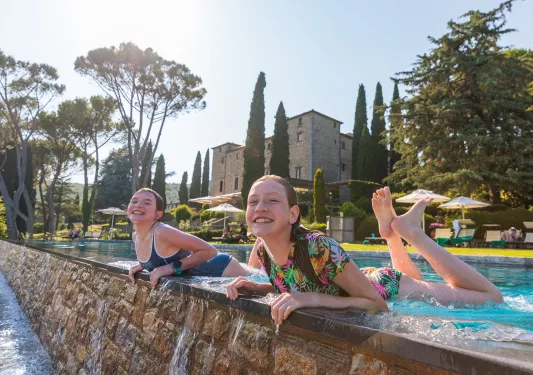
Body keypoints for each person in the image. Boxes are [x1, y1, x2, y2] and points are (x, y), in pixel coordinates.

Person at [226, 176, 502, 325]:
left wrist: (311, 299)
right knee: (419, 278)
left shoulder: (318, 247)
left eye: (272, 200)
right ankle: (391, 235)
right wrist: (260, 288)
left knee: (492, 297)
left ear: (293, 214)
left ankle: (412, 233)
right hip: (367, 278)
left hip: (388, 287)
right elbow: (296, 287)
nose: (260, 207)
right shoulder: (264, 251)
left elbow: (376, 305)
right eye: (253, 202)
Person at [128, 188, 254, 288]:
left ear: (158, 214)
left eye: (147, 202)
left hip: (223, 268)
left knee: (260, 277)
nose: (138, 205)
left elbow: (210, 251)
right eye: (134, 201)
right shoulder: (136, 237)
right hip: (209, 272)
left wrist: (169, 268)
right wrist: (144, 264)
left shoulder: (162, 232)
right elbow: (162, 256)